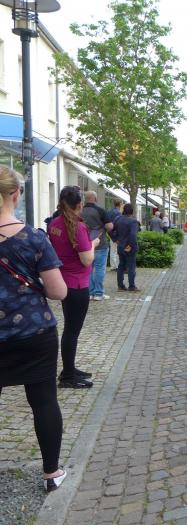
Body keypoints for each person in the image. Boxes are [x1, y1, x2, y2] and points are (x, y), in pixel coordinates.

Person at [0, 167, 69, 491]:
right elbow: (58, 291)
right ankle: (51, 474)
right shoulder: (34, 238)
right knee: (43, 402)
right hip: (33, 333)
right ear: (16, 195)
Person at [48, 186, 101, 389]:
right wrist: (93, 243)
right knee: (72, 331)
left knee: (70, 328)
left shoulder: (54, 223)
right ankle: (68, 376)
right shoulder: (78, 228)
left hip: (64, 281)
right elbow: (86, 259)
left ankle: (69, 368)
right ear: (80, 205)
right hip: (77, 284)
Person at [81, 191, 114, 302]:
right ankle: (99, 293)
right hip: (100, 243)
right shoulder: (100, 210)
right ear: (95, 198)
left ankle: (90, 293)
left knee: (88, 269)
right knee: (100, 268)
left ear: (85, 198)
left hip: (85, 244)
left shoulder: (80, 211)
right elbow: (110, 226)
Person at [115, 203, 141, 292]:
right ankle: (131, 286)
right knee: (131, 267)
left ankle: (120, 286)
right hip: (129, 248)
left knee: (121, 266)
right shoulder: (133, 221)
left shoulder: (118, 219)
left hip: (120, 246)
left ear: (123, 211)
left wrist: (115, 239)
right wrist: (131, 245)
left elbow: (110, 230)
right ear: (132, 211)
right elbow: (133, 235)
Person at [108, 199, 122, 271]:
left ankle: (113, 266)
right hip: (116, 235)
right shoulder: (118, 213)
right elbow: (118, 225)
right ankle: (116, 266)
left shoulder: (109, 212)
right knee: (116, 251)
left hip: (111, 233)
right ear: (120, 204)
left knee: (112, 250)